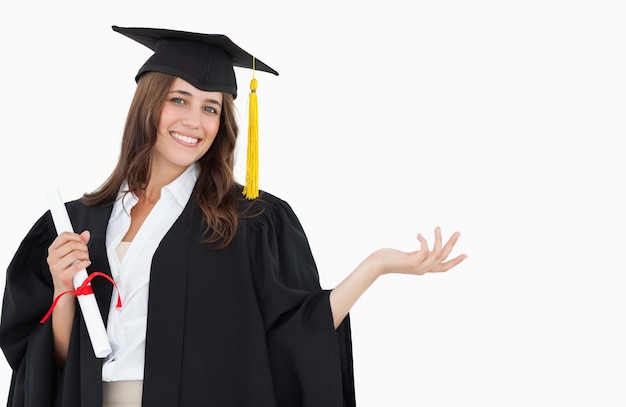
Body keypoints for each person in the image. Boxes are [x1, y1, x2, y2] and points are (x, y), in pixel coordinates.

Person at [0, 25, 467, 407]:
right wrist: (64, 290)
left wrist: (376, 266)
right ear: (149, 103)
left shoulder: (249, 221)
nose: (194, 122)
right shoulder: (80, 220)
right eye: (179, 100)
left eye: (211, 108)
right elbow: (51, 363)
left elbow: (295, 334)